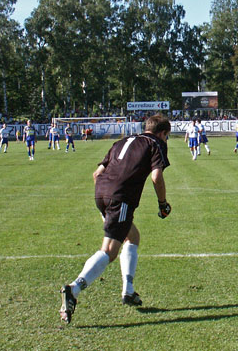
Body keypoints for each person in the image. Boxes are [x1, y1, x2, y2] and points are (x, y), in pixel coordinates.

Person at [59, 114, 172, 324]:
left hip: (100, 193)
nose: (166, 140)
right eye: (167, 136)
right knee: (109, 251)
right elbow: (157, 176)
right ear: (162, 133)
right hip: (120, 199)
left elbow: (96, 174)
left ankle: (128, 291)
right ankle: (73, 289)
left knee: (133, 236)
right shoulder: (156, 143)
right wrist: (163, 203)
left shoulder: (122, 141)